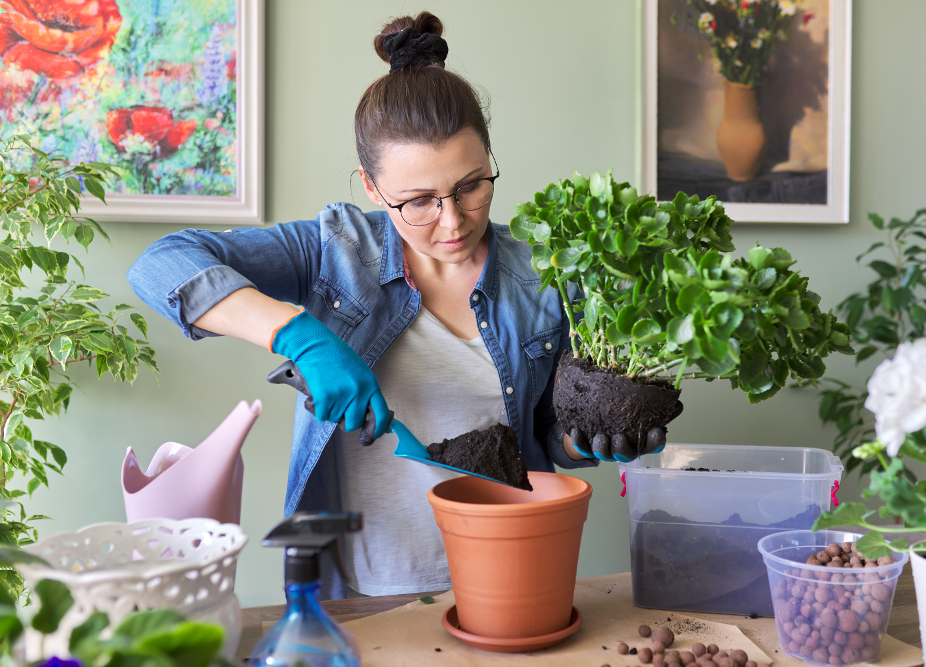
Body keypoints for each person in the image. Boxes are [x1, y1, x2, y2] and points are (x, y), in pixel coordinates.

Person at [127, 11, 598, 599]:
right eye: (418, 200)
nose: (452, 221)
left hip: (513, 582)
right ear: (373, 189)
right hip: (361, 593)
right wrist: (296, 333)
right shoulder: (336, 252)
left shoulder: (542, 274)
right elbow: (162, 262)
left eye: (471, 185)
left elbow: (546, 437)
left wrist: (591, 438)